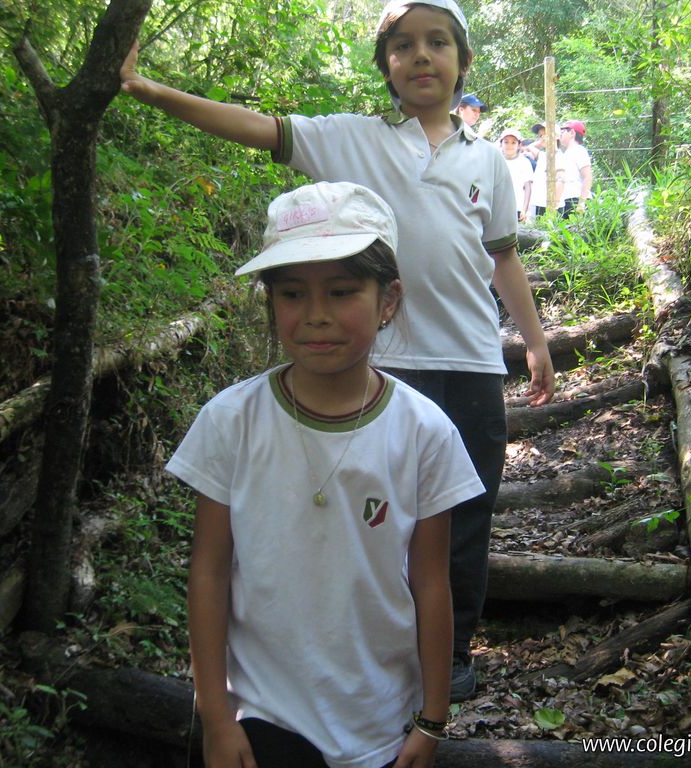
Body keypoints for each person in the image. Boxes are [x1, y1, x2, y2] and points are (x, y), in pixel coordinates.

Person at [121, 0, 556, 703]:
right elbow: (260, 128)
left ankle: (450, 654)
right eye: (403, 45)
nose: (421, 56)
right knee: (381, 522)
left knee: (466, 517)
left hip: (474, 362)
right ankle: (379, 651)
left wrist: (532, 343)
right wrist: (147, 89)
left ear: (463, 61)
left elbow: (502, 256)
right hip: (386, 365)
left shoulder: (488, 161)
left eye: (438, 42)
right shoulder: (352, 139)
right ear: (385, 65)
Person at [167, 181, 485, 767]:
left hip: (377, 719)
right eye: (292, 294)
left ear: (388, 300)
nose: (316, 315)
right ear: (271, 301)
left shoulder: (424, 432)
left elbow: (431, 583)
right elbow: (209, 570)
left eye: (341, 292)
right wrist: (215, 714)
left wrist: (433, 719)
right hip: (259, 716)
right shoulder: (233, 420)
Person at [498, 128, 532, 223]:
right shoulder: (496, 160)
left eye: (513, 143)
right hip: (498, 208)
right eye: (506, 142)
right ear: (501, 144)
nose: (509, 146)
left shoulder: (524, 162)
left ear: (519, 145)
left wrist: (525, 209)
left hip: (517, 207)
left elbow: (528, 187)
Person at [558, 120, 592, 216]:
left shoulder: (579, 151)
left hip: (576, 200)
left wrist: (581, 203)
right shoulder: (565, 152)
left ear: (572, 133)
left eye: (563, 131)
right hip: (565, 201)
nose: (560, 134)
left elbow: (587, 177)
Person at [529, 139, 567, 219]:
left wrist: (554, 205)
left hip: (551, 206)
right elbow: (530, 147)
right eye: (540, 135)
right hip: (540, 204)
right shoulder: (543, 155)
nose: (543, 137)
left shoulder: (558, 156)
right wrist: (541, 141)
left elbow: (561, 180)